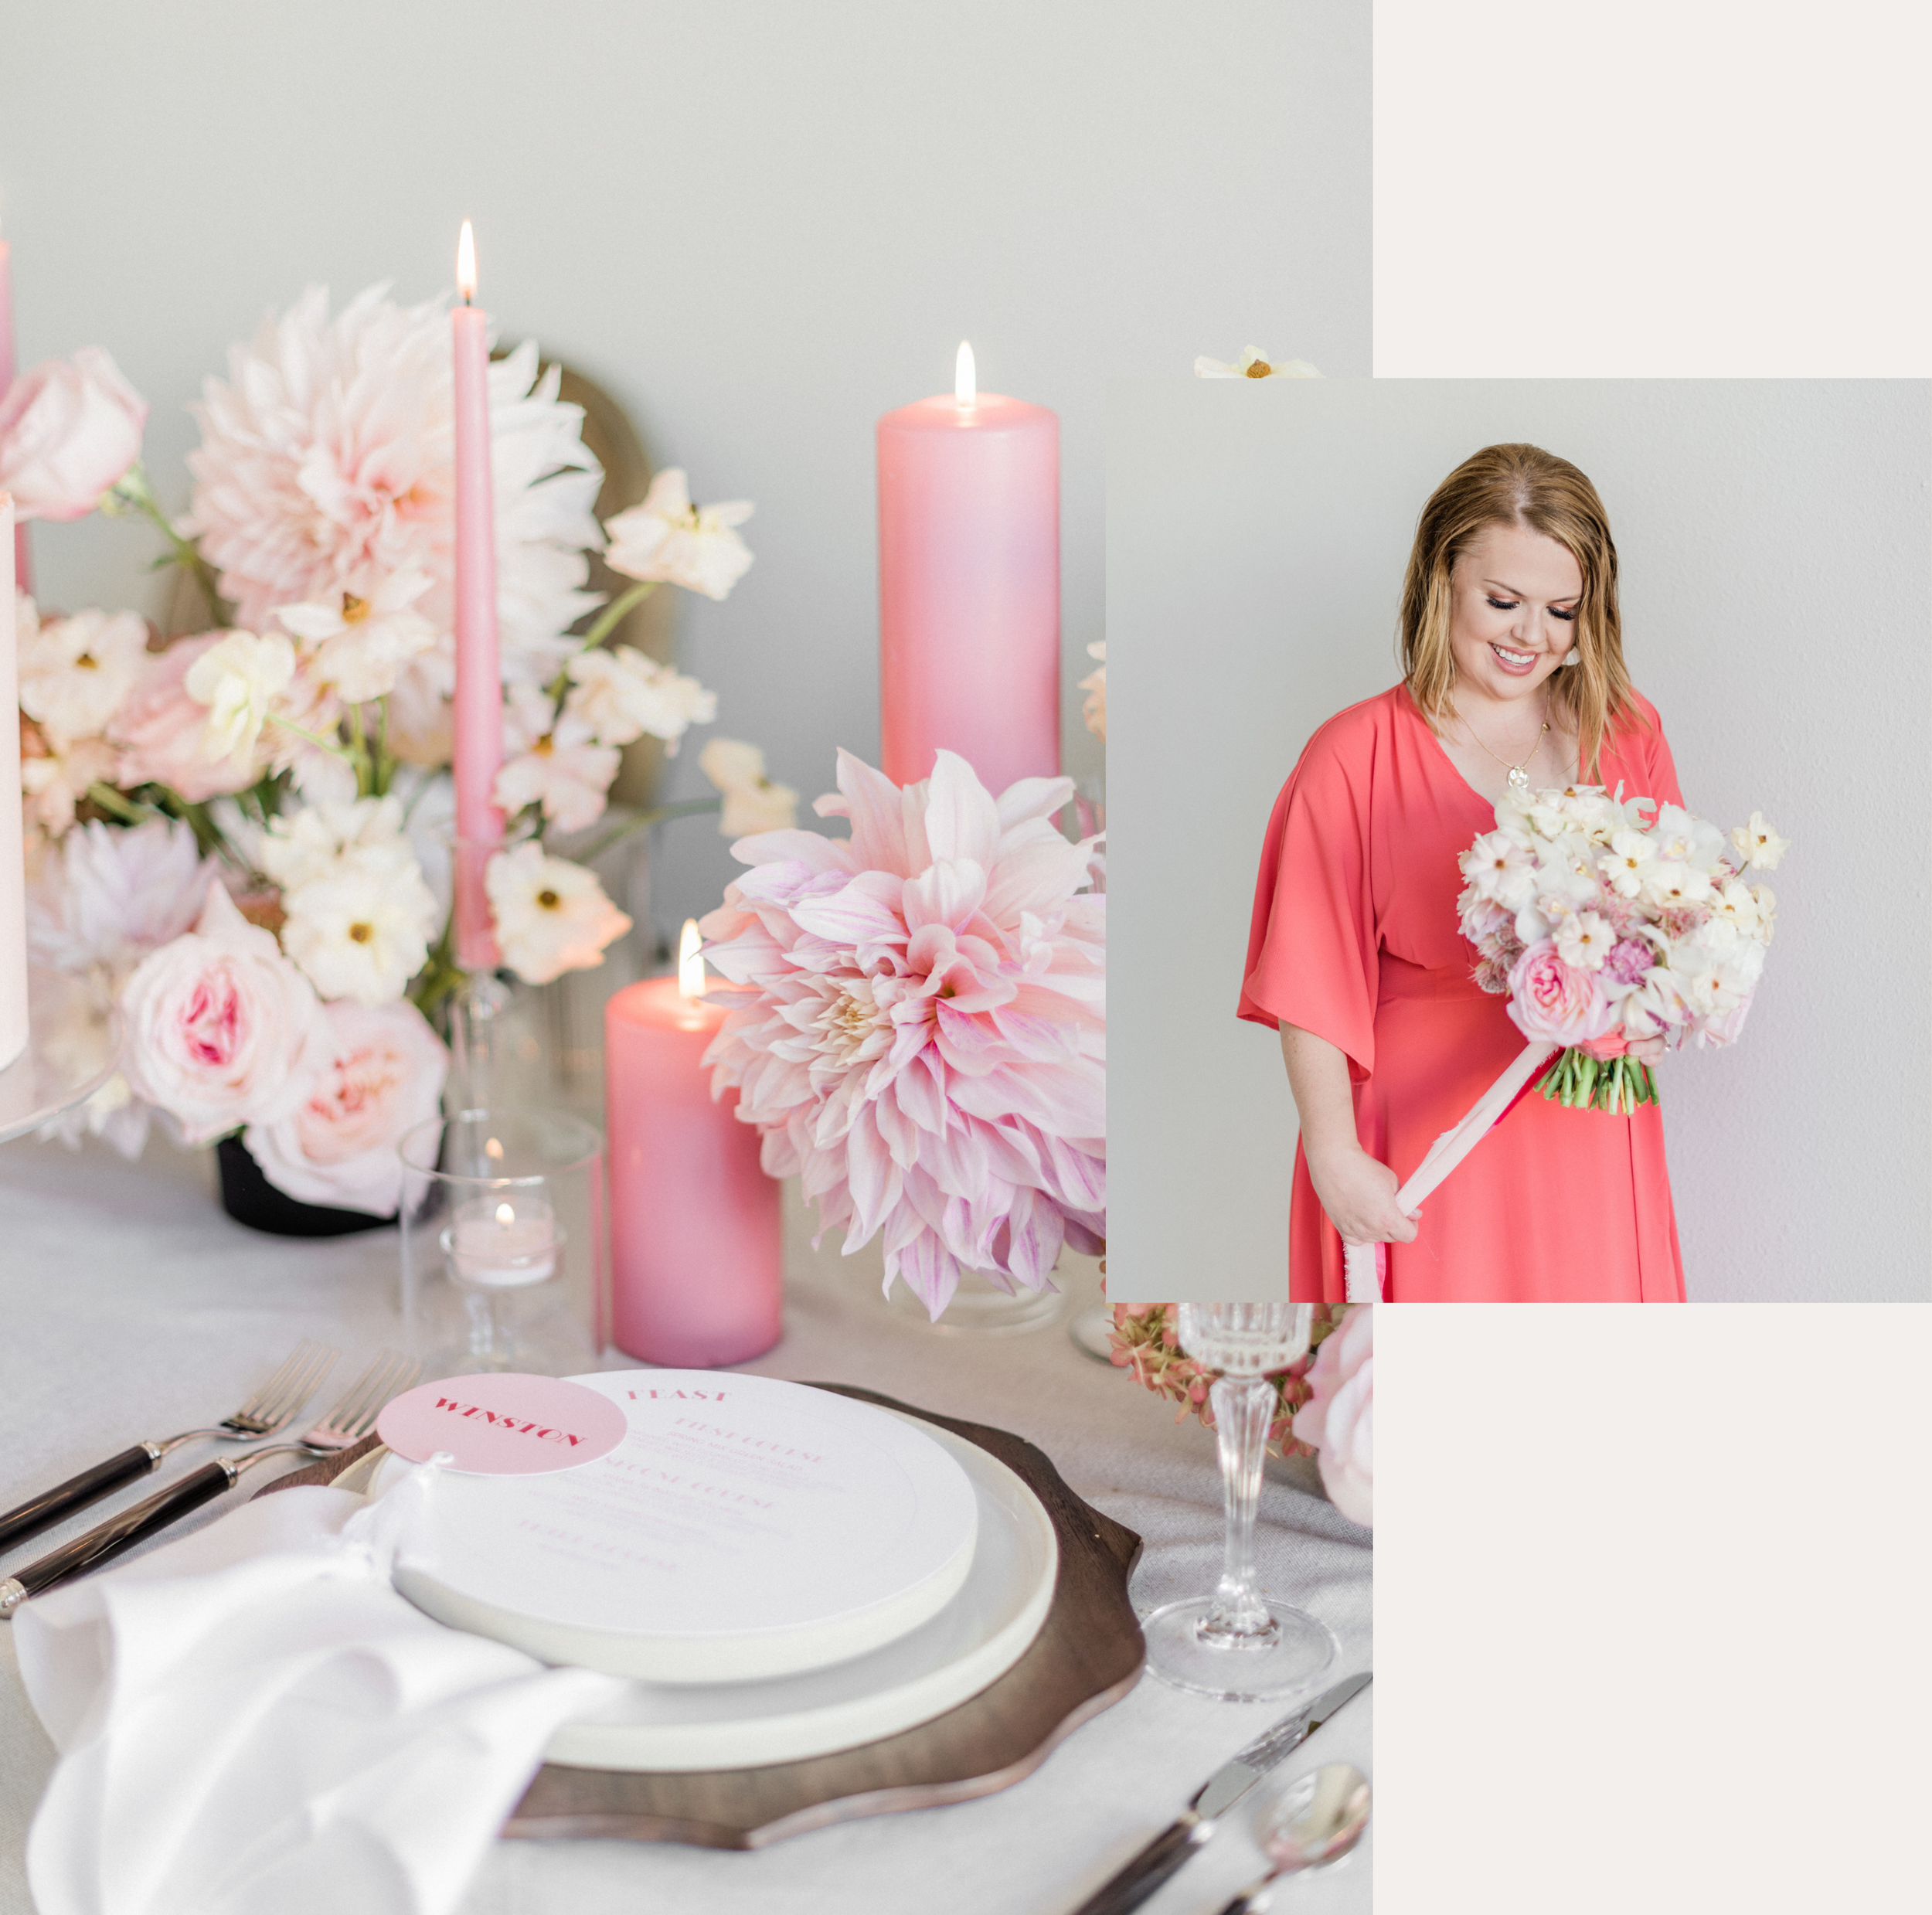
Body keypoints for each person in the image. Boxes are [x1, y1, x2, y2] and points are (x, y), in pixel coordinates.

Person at [1238, 443, 1685, 1302]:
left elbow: (1672, 922)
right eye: (1503, 601)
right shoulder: (1352, 756)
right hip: (1425, 1138)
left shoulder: (1629, 733)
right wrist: (1333, 1156)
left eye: (1562, 609)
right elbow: (1308, 982)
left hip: (1591, 1130)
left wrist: (1660, 1007)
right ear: (1439, 578)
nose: (1532, 635)